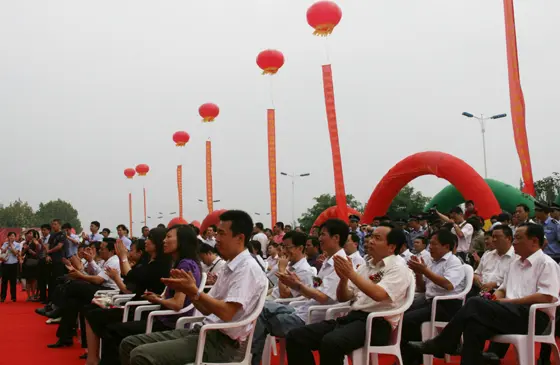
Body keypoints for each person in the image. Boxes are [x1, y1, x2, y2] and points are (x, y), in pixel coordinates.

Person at [118, 210, 268, 365]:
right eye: (216, 233)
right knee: (128, 344)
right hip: (204, 332)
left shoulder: (247, 268)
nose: (216, 239)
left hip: (221, 344)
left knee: (141, 355)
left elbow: (227, 313)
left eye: (221, 234)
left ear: (240, 238)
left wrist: (195, 291)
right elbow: (206, 309)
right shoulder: (230, 266)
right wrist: (191, 292)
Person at [409, 223, 560, 365]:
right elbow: (503, 289)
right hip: (510, 312)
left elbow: (547, 296)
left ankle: (443, 343)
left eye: (518, 238)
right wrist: (494, 299)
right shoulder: (515, 263)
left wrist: (508, 302)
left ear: (534, 241)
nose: (514, 242)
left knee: (475, 302)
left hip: (533, 317)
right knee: (474, 325)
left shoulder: (547, 264)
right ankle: (478, 358)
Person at [286, 224, 414, 365]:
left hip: (377, 324)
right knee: (296, 336)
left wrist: (351, 274)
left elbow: (379, 294)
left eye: (377, 238)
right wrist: (343, 279)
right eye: (371, 237)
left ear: (391, 247)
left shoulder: (399, 268)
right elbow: (344, 297)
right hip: (353, 318)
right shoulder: (366, 266)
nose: (370, 241)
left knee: (331, 342)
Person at [250, 219, 350, 365]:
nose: (319, 238)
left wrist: (298, 286)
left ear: (336, 238)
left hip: (311, 317)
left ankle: (252, 358)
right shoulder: (328, 261)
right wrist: (298, 285)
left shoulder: (339, 263)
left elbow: (322, 297)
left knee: (259, 317)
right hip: (301, 308)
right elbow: (317, 290)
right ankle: (251, 357)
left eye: (323, 235)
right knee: (258, 307)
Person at [98, 225, 202, 365]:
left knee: (115, 332)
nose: (164, 241)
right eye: (164, 237)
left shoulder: (184, 265)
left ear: (182, 241)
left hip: (170, 323)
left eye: (169, 237)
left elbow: (177, 304)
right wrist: (158, 298)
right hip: (162, 316)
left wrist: (158, 300)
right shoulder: (181, 263)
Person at [82, 230, 170, 363]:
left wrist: (123, 257)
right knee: (90, 310)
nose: (146, 241)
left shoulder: (160, 265)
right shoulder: (149, 263)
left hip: (144, 308)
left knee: (105, 324)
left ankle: (96, 359)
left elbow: (130, 277)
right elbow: (128, 279)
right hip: (134, 304)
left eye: (150, 239)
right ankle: (93, 357)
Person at [401, 229, 466, 365]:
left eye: (433, 244)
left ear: (446, 247)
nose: (430, 247)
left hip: (447, 305)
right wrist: (418, 272)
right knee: (401, 314)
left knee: (408, 320)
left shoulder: (453, 262)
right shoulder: (432, 262)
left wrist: (425, 270)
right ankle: (407, 356)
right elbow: (422, 288)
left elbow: (448, 285)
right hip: (430, 301)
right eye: (430, 243)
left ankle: (414, 359)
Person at [47, 238, 121, 348]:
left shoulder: (114, 261)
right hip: (100, 288)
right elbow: (96, 274)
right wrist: (89, 263)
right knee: (73, 301)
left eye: (102, 249)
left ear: (112, 251)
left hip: (108, 293)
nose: (100, 251)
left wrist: (80, 275)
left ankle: (56, 309)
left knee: (74, 285)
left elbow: (98, 280)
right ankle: (65, 337)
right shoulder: (107, 261)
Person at [269, 231, 314, 300]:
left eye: (288, 247)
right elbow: (276, 289)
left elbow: (284, 294)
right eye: (283, 247)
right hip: (272, 299)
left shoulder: (305, 270)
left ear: (300, 248)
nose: (284, 251)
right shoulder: (289, 265)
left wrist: (282, 270)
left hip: (282, 305)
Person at [0, 232, 21, 302]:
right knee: (4, 282)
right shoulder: (5, 244)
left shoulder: (18, 245)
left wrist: (11, 246)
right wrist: (7, 246)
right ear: (8, 237)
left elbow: (16, 253)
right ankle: (2, 297)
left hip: (14, 264)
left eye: (13, 236)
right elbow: (2, 252)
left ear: (15, 237)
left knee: (13, 282)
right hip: (5, 264)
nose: (11, 237)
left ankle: (13, 297)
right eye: (10, 236)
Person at [21, 229, 41, 301]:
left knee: (34, 279)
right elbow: (22, 254)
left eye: (31, 233)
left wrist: (29, 249)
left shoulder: (36, 243)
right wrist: (25, 249)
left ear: (34, 235)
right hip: (27, 263)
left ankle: (33, 295)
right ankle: (28, 296)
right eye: (28, 233)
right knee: (28, 280)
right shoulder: (25, 243)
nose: (29, 235)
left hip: (34, 262)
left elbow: (37, 254)